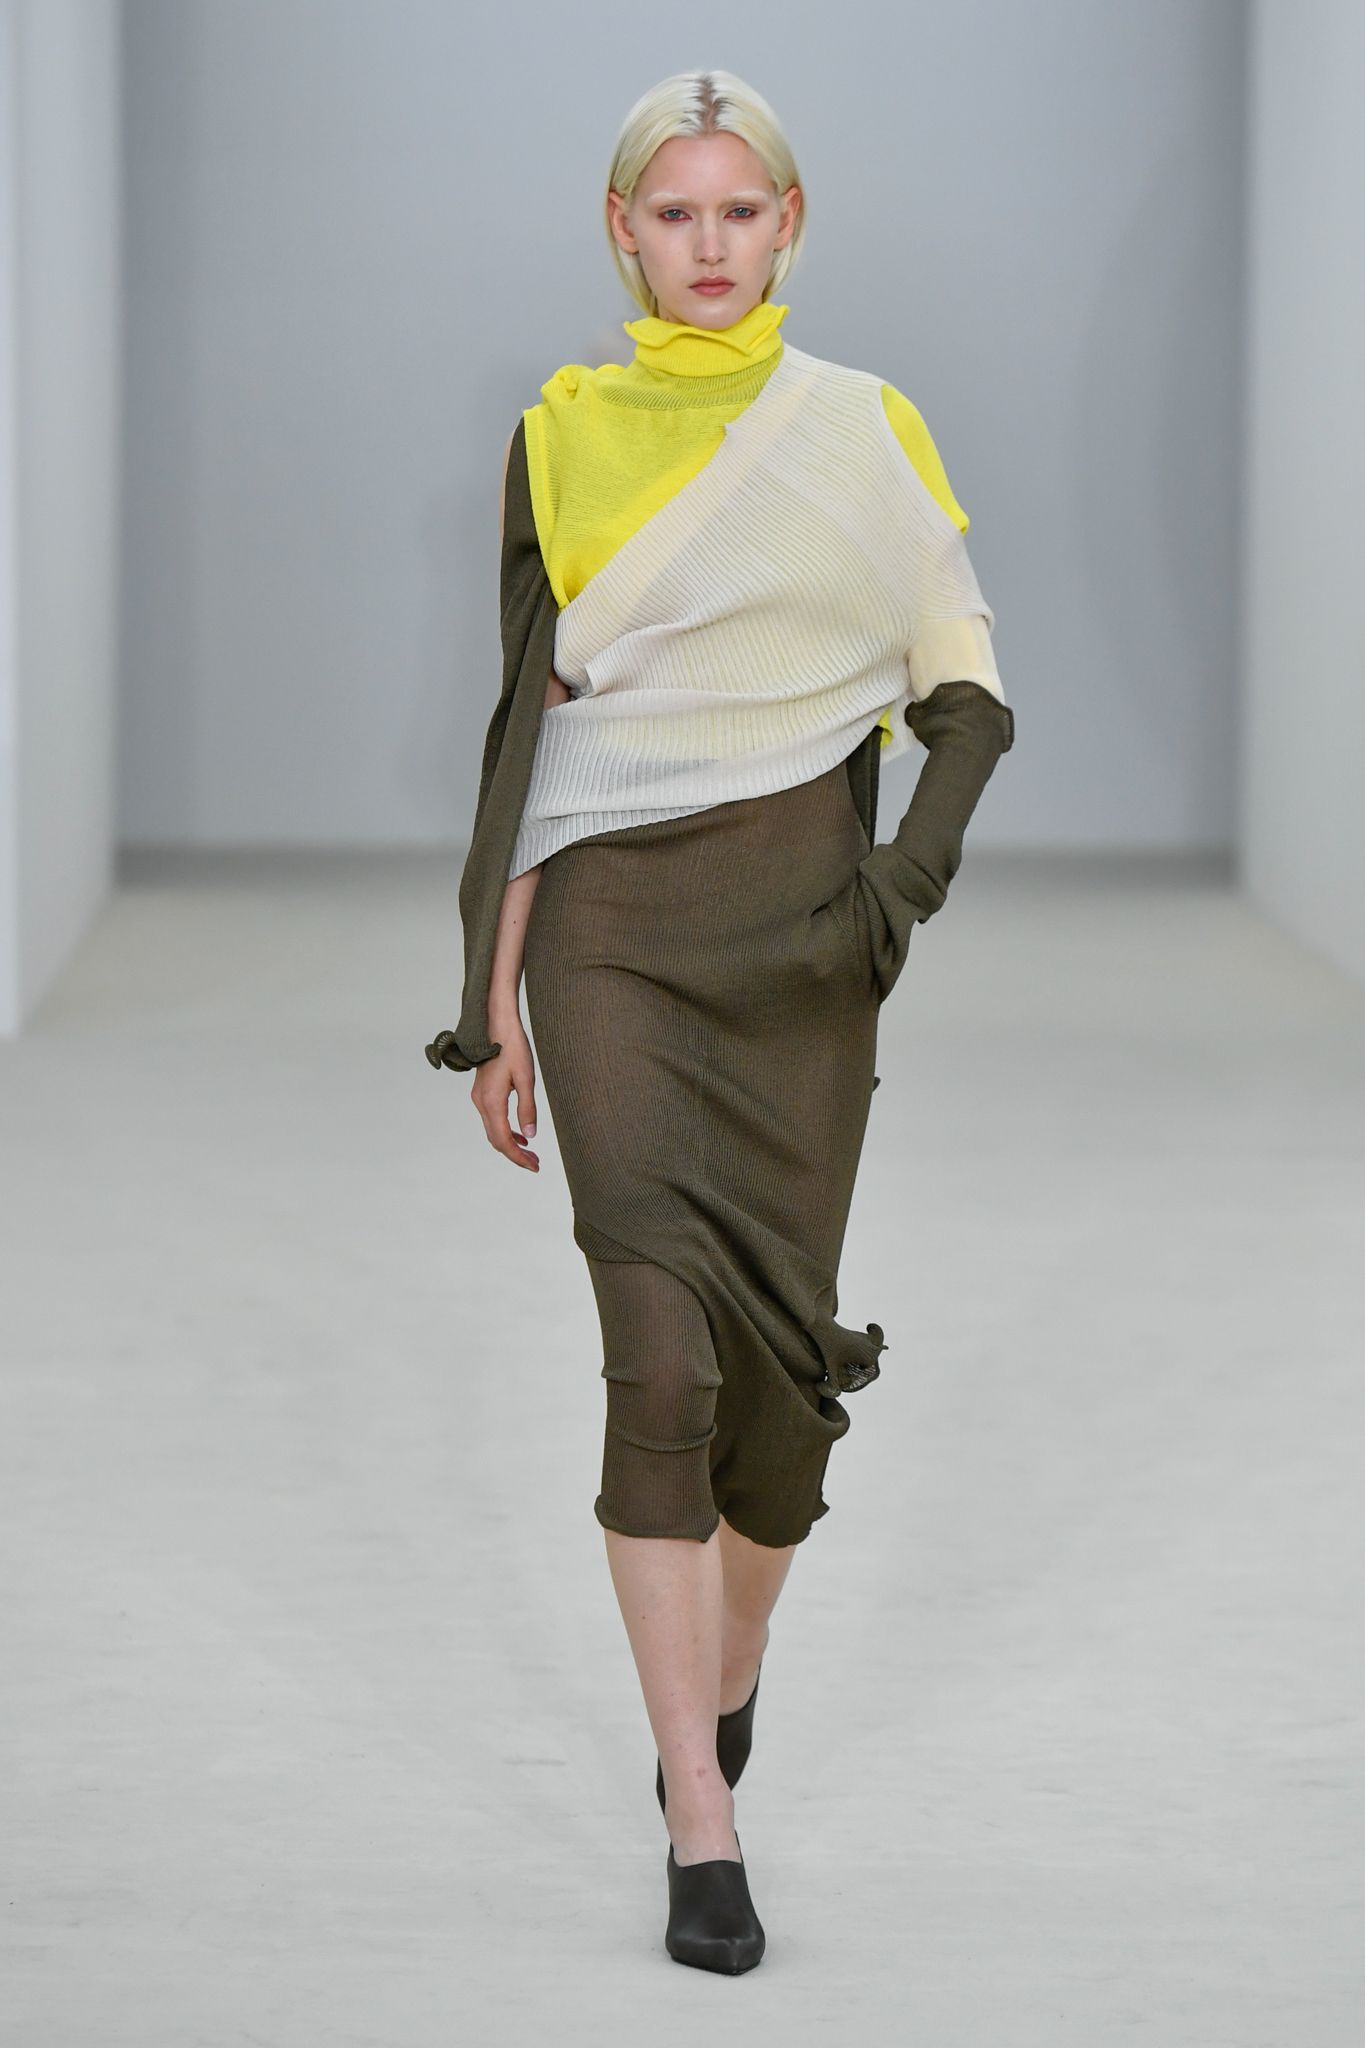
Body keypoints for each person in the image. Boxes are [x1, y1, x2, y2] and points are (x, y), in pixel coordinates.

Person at [424, 67, 1014, 1973]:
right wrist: (495, 990)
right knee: (657, 1367)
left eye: (736, 212)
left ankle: (731, 1657)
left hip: (797, 948)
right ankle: (701, 1806)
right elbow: (536, 735)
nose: (704, 244)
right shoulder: (558, 433)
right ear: (621, 230)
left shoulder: (859, 426)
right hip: (607, 933)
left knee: (774, 1407)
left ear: (787, 224)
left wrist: (894, 892)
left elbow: (964, 693)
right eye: (670, 213)